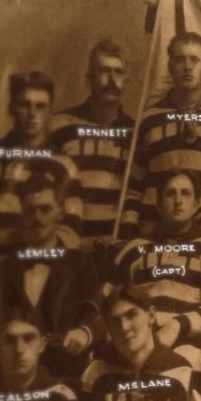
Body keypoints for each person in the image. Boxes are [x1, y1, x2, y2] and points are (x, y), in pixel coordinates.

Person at [0, 168, 98, 380]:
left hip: (68, 378)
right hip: (12, 383)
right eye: (30, 211)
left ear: (61, 211)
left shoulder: (82, 264)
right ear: (21, 214)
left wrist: (84, 332)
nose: (37, 218)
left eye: (45, 209)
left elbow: (96, 311)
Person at [124, 32, 201, 234]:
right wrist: (128, 233)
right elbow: (133, 186)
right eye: (180, 59)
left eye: (195, 59)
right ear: (170, 67)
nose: (188, 67)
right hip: (155, 234)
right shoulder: (148, 118)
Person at [115, 170, 201, 348]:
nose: (178, 201)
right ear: (159, 205)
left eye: (185, 193)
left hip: (188, 344)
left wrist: (178, 326)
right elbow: (111, 300)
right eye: (170, 194)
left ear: (196, 205)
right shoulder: (135, 248)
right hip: (141, 343)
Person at [45, 38, 134, 245]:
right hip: (68, 245)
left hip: (114, 245)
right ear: (89, 78)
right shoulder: (60, 125)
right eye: (103, 71)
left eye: (118, 72)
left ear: (126, 81)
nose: (111, 80)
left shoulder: (135, 132)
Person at [0, 70, 63, 253]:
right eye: (24, 104)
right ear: (11, 107)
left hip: (32, 266)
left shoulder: (62, 165)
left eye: (40, 106)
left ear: (50, 112)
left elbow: (69, 234)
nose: (32, 114)